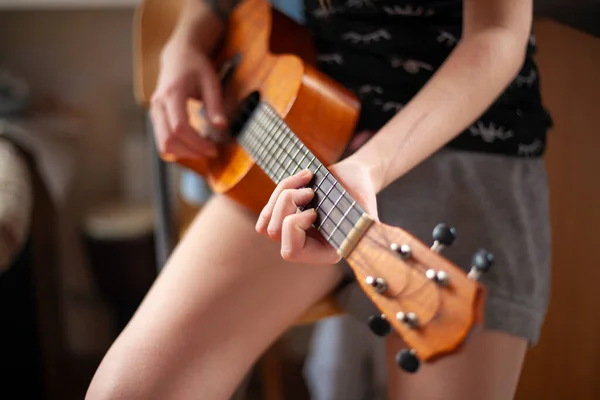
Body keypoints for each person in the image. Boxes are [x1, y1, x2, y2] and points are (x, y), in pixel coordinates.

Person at [86, 0, 552, 398]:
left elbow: (496, 33)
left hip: (468, 144)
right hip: (291, 129)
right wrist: (184, 44)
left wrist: (369, 165)